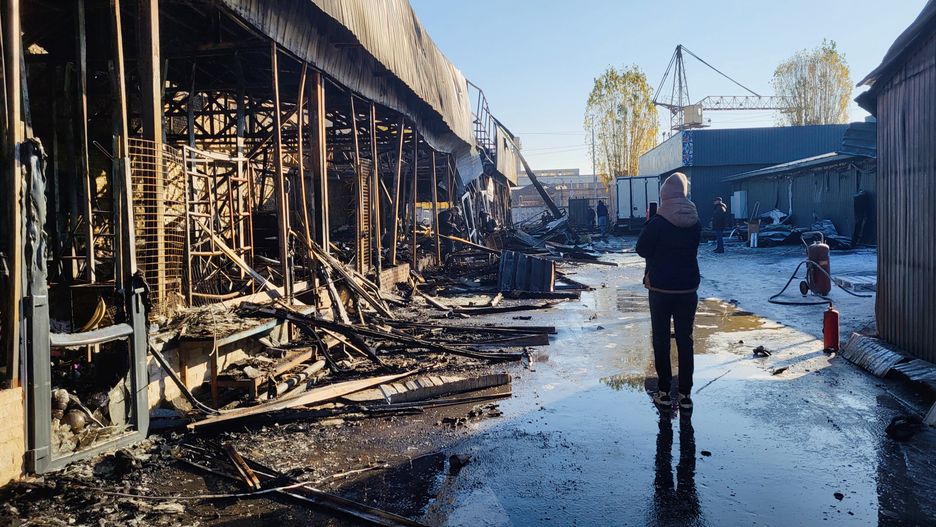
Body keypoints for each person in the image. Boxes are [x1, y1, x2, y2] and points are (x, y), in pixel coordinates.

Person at [636, 172, 701, 411]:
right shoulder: (695, 221)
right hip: (687, 289)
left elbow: (642, 249)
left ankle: (663, 392)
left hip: (661, 289)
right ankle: (685, 395)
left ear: (664, 195)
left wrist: (648, 221)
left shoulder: (658, 222)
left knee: (661, 339)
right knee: (686, 340)